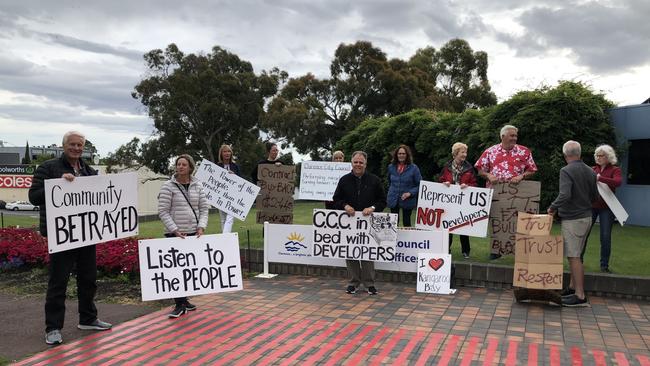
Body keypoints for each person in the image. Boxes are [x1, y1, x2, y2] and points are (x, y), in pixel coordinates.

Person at [28, 131, 112, 345]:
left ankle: (88, 318)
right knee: (58, 282)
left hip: (86, 233)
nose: (76, 148)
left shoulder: (88, 170)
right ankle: (53, 328)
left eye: (80, 145)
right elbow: (33, 197)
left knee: (88, 279)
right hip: (62, 234)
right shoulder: (48, 168)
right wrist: (58, 184)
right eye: (72, 144)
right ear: (64, 146)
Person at [158, 154, 210, 318]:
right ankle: (179, 304)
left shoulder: (198, 186)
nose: (180, 167)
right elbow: (163, 211)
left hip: (193, 233)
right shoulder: (168, 186)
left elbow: (204, 209)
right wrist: (174, 229)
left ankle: (185, 300)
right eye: (178, 164)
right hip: (175, 235)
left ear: (190, 168)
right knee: (176, 270)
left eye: (184, 164)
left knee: (189, 269)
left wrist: (201, 227)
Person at [475, 124, 538, 259]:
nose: (515, 138)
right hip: (496, 193)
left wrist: (521, 176)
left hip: (517, 193)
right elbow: (480, 169)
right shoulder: (490, 151)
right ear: (503, 136)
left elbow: (532, 169)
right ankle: (496, 250)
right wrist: (488, 176)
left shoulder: (524, 151)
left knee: (517, 222)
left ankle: (518, 252)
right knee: (497, 221)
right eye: (512, 136)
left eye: (516, 135)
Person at [547, 141, 597, 307]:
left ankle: (580, 295)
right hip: (587, 217)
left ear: (565, 155)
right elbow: (595, 196)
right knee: (577, 254)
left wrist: (552, 207)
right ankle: (571, 287)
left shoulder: (566, 170)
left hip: (573, 219)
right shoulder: (591, 170)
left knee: (573, 256)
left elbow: (565, 194)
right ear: (580, 153)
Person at [332, 151, 386, 295]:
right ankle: (353, 282)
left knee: (367, 253)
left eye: (361, 162)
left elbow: (382, 201)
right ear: (351, 162)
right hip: (349, 223)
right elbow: (336, 199)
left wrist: (372, 208)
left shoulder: (375, 180)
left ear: (365, 164)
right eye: (355, 162)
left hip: (368, 223)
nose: (358, 165)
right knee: (350, 253)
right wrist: (345, 206)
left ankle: (369, 284)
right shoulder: (344, 180)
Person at [581, 144, 622, 273]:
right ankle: (579, 261)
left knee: (605, 236)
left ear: (608, 156)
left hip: (607, 208)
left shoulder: (615, 170)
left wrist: (600, 178)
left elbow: (618, 182)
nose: (598, 158)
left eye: (601, 155)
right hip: (591, 206)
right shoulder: (592, 169)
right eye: (596, 155)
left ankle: (604, 265)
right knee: (584, 234)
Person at [439, 142, 477, 259]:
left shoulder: (469, 168)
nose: (465, 154)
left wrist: (468, 186)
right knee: (448, 227)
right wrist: (444, 184)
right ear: (455, 153)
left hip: (464, 202)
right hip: (449, 202)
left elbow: (475, 184)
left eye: (465, 152)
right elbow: (440, 181)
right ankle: (446, 249)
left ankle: (466, 251)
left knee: (463, 226)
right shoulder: (447, 167)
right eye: (462, 152)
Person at [386, 145, 421, 227]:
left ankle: (407, 239)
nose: (401, 155)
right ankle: (393, 240)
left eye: (403, 154)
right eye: (399, 153)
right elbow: (389, 181)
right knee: (393, 223)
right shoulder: (391, 167)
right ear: (396, 155)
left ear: (407, 155)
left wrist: (410, 193)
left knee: (406, 222)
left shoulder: (414, 168)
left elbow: (420, 184)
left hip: (408, 200)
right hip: (393, 199)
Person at [216, 144, 241, 233]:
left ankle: (225, 238)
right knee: (223, 219)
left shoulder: (235, 166)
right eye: (225, 151)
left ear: (231, 153)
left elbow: (241, 183)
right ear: (221, 154)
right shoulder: (217, 166)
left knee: (230, 218)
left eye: (229, 151)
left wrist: (234, 176)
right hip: (221, 196)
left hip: (232, 197)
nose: (227, 153)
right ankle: (225, 240)